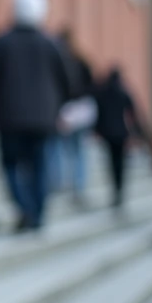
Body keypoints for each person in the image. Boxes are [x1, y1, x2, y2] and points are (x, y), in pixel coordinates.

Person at [0, 0, 72, 232]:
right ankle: (37, 212)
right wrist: (59, 109)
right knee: (40, 166)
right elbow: (68, 81)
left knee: (11, 166)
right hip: (43, 119)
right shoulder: (52, 44)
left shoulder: (0, 43)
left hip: (8, 118)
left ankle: (25, 208)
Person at [49, 28, 96, 207]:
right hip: (82, 110)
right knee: (78, 150)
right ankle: (78, 185)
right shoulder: (82, 61)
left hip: (66, 110)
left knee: (61, 147)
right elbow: (92, 86)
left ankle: (59, 183)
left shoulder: (60, 62)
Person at [92, 66, 146, 209]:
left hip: (108, 133)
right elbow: (133, 114)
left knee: (112, 163)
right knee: (121, 164)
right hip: (121, 133)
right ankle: (119, 190)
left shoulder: (103, 93)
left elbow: (99, 114)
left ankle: (116, 190)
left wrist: (96, 130)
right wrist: (139, 133)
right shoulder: (123, 92)